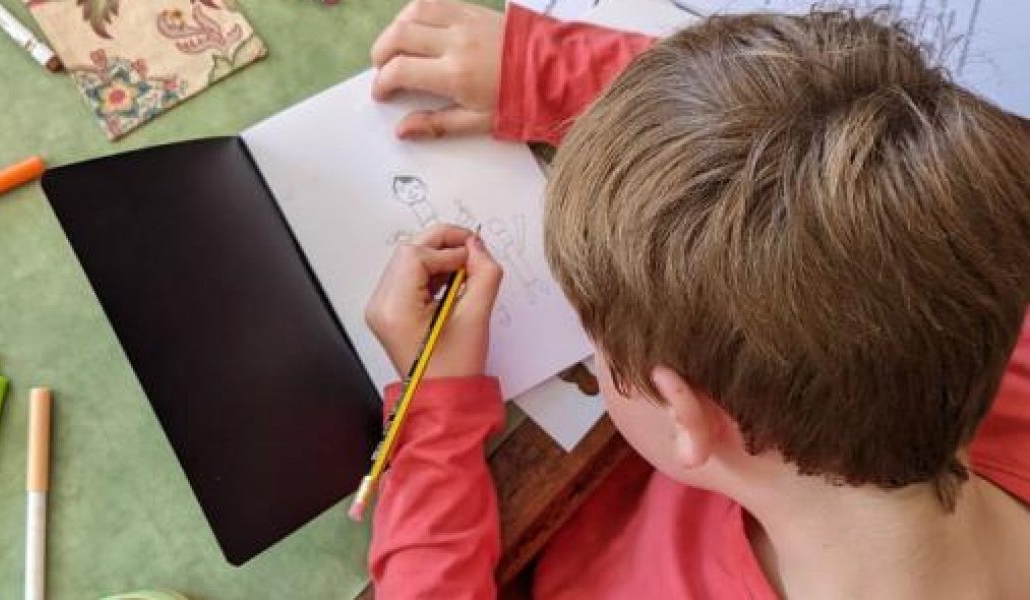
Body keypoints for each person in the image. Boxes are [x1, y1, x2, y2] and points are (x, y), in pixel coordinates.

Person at [360, 1, 1030, 598]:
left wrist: (433, 421)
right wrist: (542, 70)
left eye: (596, 341)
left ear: (686, 412)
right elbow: (826, 139)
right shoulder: (985, 256)